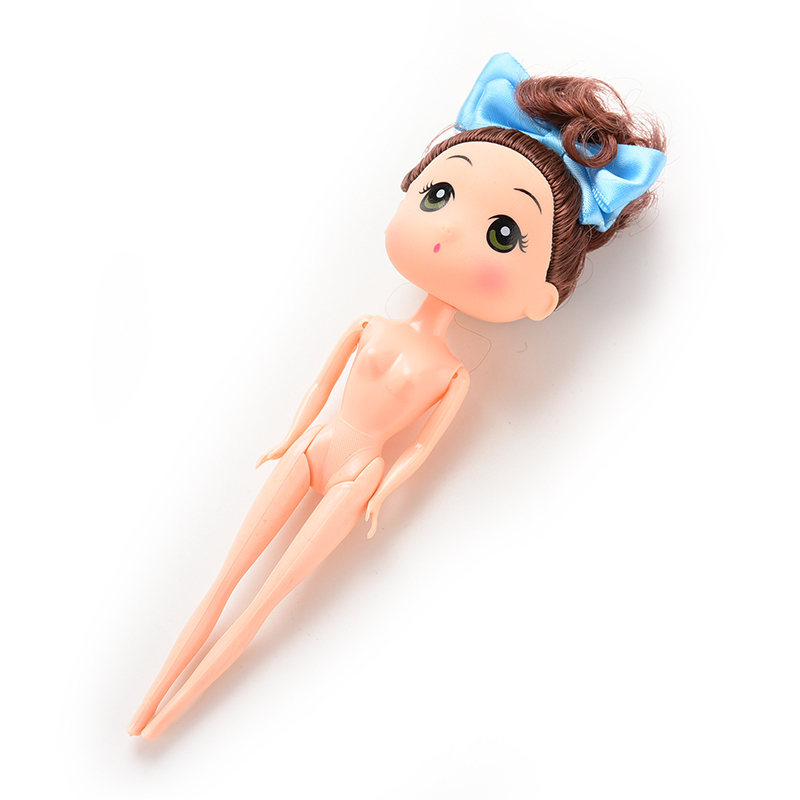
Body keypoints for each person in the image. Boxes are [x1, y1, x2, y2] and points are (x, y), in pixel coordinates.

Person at [128, 53, 666, 740]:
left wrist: (382, 492)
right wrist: (289, 439)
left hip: (359, 475)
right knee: (225, 578)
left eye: (503, 235)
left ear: (541, 297)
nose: (450, 231)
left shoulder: (453, 375)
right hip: (317, 444)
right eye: (439, 196)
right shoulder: (368, 326)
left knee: (266, 604)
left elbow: (418, 450)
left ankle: (166, 718)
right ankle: (150, 702)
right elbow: (320, 387)